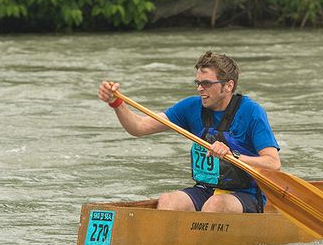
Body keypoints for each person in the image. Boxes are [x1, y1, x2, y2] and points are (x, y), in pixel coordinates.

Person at [98, 51, 281, 213]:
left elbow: (273, 163)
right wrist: (117, 104)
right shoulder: (191, 107)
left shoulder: (251, 112)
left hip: (245, 194)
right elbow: (138, 128)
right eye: (198, 83)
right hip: (206, 189)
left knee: (214, 205)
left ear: (228, 86)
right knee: (168, 201)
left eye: (207, 84)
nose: (200, 89)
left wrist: (232, 155)